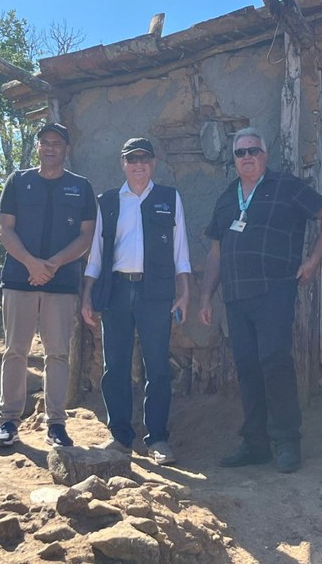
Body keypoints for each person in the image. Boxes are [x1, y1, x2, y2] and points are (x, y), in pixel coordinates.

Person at [198, 128, 322, 473]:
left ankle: (286, 442)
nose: (247, 157)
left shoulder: (286, 186)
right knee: (247, 369)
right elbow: (216, 252)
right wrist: (206, 296)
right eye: (240, 153)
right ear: (234, 160)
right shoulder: (225, 198)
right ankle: (255, 444)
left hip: (274, 290)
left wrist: (314, 259)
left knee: (274, 361)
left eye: (253, 150)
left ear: (264, 156)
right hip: (236, 297)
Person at [81, 138, 191, 466]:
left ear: (153, 163)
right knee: (114, 366)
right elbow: (96, 255)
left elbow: (180, 252)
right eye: (132, 159)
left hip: (154, 293)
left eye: (144, 159)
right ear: (123, 163)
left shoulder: (169, 199)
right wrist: (88, 293)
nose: (138, 165)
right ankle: (120, 437)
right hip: (116, 291)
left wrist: (184, 292)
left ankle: (157, 439)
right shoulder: (109, 201)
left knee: (156, 365)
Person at [0, 122, 97, 450]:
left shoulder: (81, 188)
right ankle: (8, 422)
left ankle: (56, 424)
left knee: (57, 354)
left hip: (61, 283)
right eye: (45, 142)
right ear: (37, 147)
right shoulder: (17, 182)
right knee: (15, 351)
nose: (51, 147)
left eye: (57, 143)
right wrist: (32, 264)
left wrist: (51, 265)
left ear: (67, 149)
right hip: (19, 280)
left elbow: (86, 235)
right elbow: (5, 230)